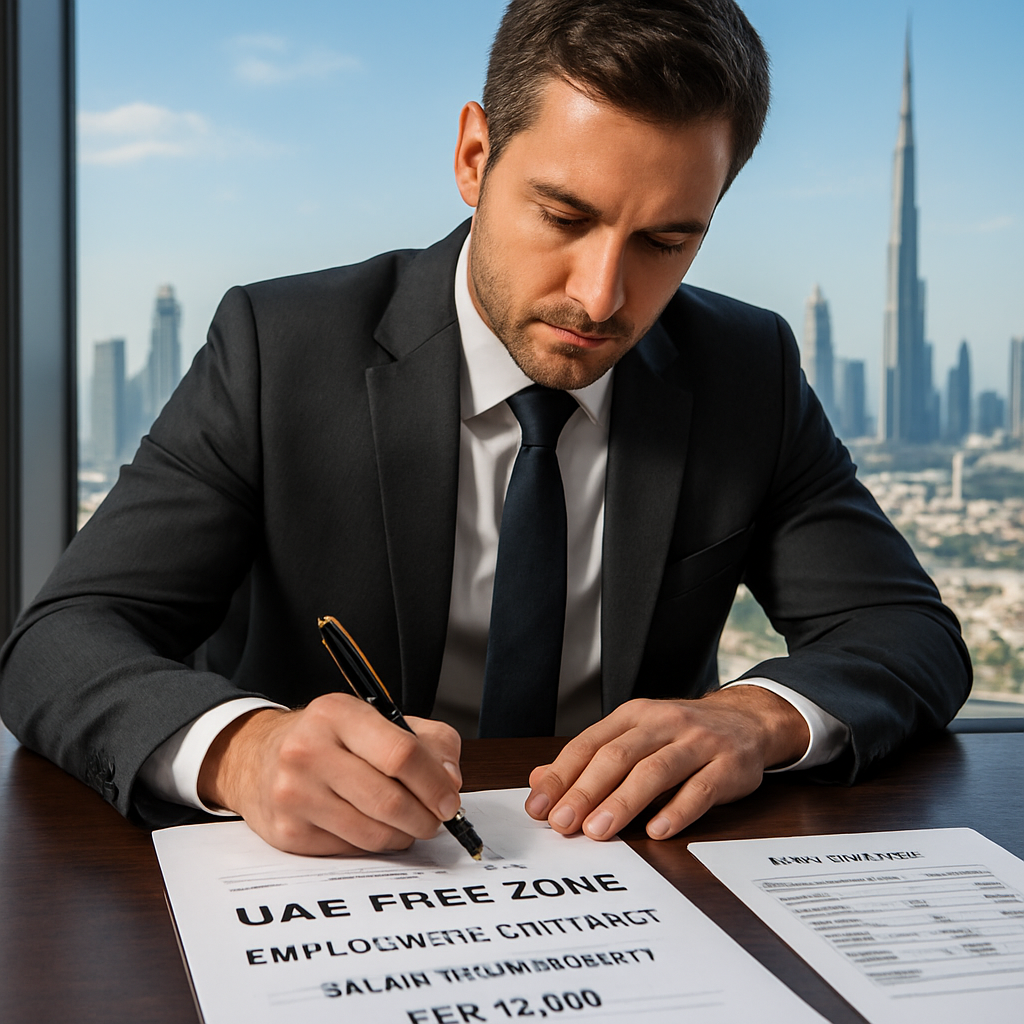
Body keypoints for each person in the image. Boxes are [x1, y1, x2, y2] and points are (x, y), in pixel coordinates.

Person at [0, 0, 969, 856]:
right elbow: (62, 639)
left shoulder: (743, 367)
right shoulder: (279, 347)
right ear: (474, 156)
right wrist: (243, 749)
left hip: (630, 875)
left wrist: (759, 718)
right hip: (334, 882)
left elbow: (902, 630)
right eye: (562, 214)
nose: (601, 295)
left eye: (665, 241)